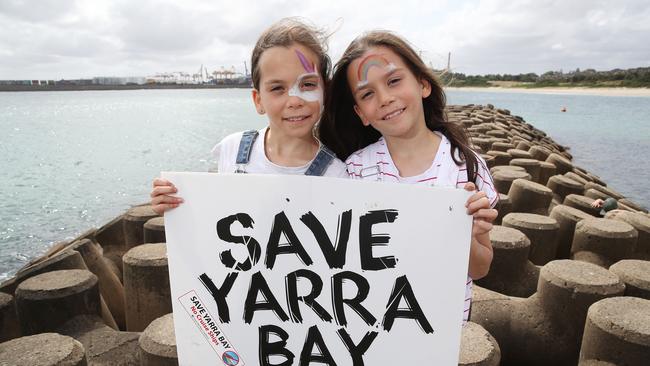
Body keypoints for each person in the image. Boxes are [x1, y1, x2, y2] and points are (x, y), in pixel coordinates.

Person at [319, 30, 498, 323]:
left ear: (423, 84)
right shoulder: (353, 171)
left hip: (442, 330)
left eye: (393, 81)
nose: (385, 98)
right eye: (367, 94)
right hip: (372, 327)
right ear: (361, 113)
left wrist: (470, 234)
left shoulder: (465, 166)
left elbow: (480, 269)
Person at [150, 18, 347, 214]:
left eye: (308, 84)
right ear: (258, 100)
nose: (294, 100)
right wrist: (174, 204)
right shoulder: (231, 150)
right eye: (278, 88)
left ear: (325, 91)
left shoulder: (336, 174)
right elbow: (215, 215)